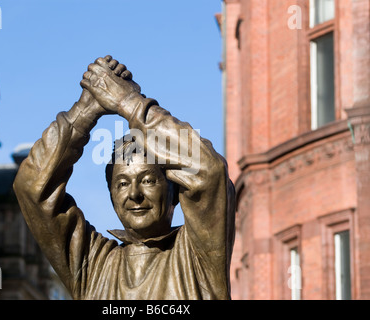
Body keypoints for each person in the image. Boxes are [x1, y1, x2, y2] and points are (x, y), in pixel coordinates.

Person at [13, 56, 236, 300]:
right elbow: (32, 187)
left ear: (174, 192)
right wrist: (86, 110)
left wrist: (127, 102)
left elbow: (209, 171)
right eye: (122, 184)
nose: (134, 195)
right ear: (110, 195)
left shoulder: (199, 254)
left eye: (148, 180)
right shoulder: (93, 266)